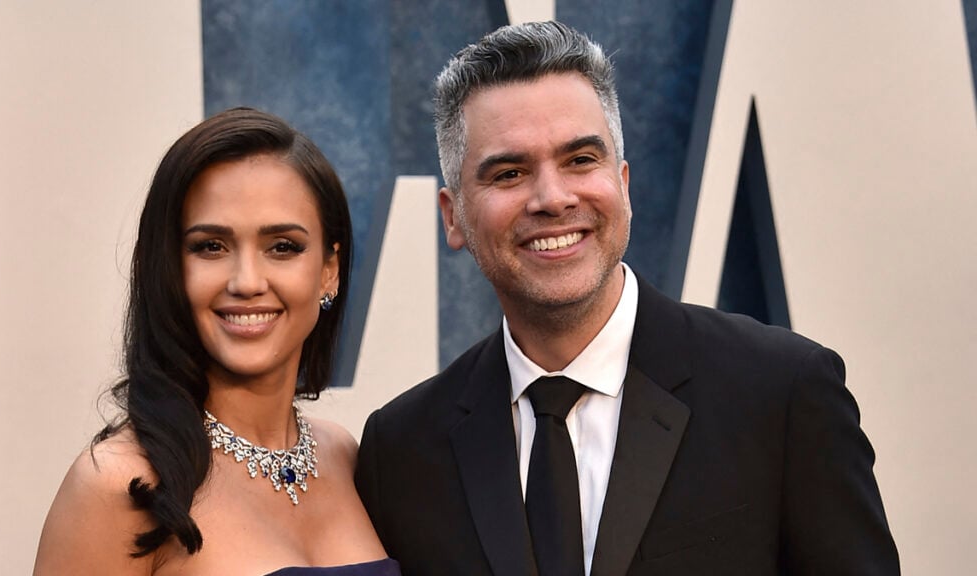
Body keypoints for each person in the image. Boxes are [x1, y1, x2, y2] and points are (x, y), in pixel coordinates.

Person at [355, 21, 899, 576]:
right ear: (454, 216)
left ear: (623, 184)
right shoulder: (401, 450)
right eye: (510, 172)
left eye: (580, 161)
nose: (552, 197)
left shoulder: (784, 392)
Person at [35, 108, 400, 576]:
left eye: (282, 246)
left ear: (329, 270)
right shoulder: (118, 485)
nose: (247, 282)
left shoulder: (344, 456)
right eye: (211, 246)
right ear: (169, 268)